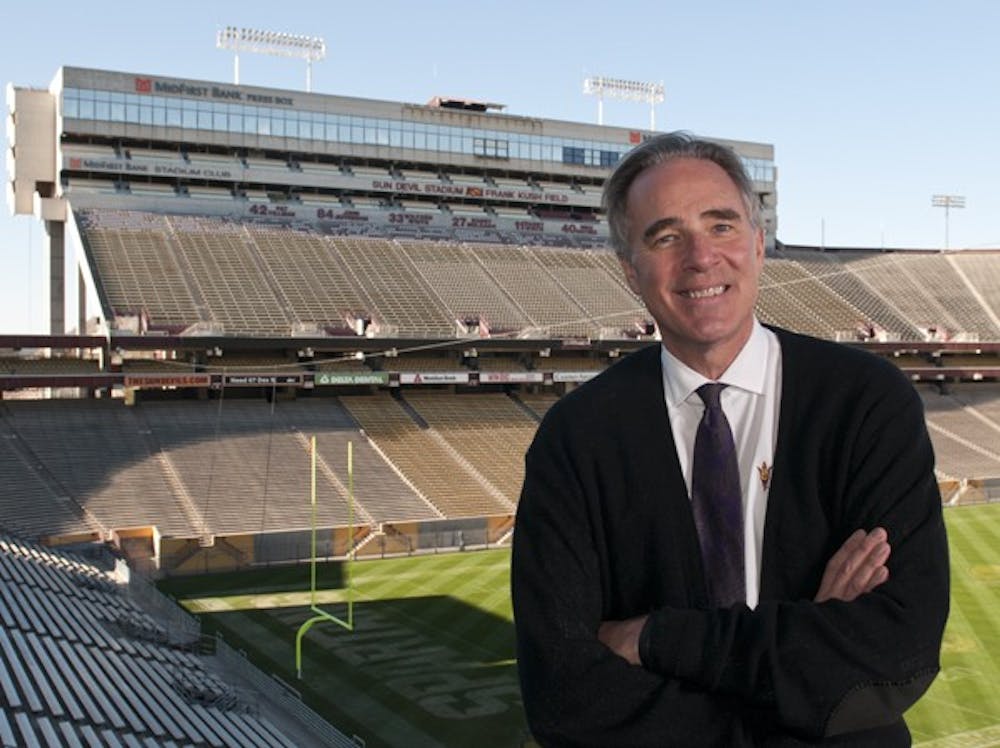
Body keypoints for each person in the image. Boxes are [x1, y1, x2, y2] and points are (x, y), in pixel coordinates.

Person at [511, 132, 949, 746]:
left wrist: (653, 639)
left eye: (721, 226)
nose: (700, 257)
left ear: (759, 243)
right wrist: (805, 652)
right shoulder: (576, 438)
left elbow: (899, 649)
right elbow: (564, 697)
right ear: (631, 271)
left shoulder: (867, 401)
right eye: (665, 236)